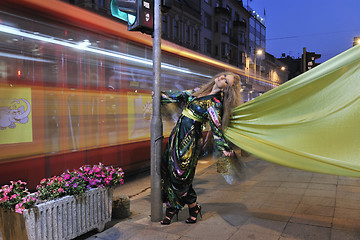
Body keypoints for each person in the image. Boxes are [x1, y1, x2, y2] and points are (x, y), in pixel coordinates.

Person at [160, 71, 242, 225]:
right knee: (168, 170)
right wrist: (159, 95)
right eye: (223, 75)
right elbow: (181, 95)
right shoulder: (201, 90)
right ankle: (180, 208)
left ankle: (185, 208)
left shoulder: (215, 103)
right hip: (177, 135)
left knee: (180, 175)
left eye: (226, 80)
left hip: (189, 140)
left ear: (227, 89)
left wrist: (225, 149)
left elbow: (216, 128)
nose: (221, 78)